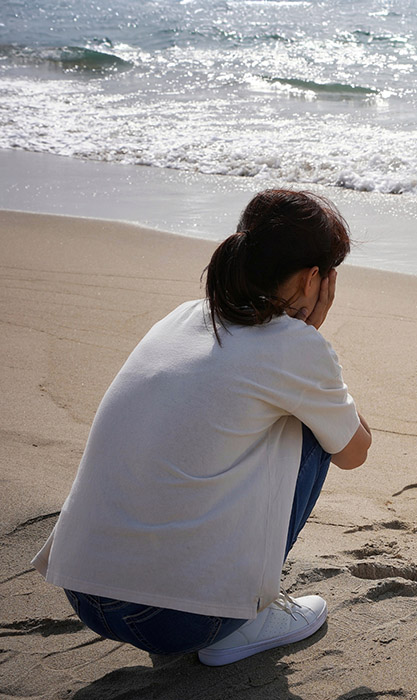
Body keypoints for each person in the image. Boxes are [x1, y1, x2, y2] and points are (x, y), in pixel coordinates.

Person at [31, 189, 372, 666]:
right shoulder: (294, 345)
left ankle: (215, 601)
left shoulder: (183, 317)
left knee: (263, 417)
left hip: (84, 593)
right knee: (316, 431)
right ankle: (241, 618)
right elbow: (355, 451)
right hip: (176, 623)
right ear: (313, 278)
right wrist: (308, 339)